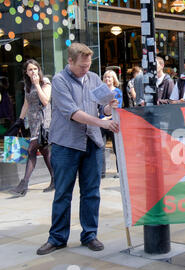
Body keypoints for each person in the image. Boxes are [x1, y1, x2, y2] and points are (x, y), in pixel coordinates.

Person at [36, 43, 120, 255]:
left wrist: (111, 107)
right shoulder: (59, 80)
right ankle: (57, 238)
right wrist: (102, 123)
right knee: (63, 193)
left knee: (91, 192)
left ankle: (90, 234)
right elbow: (73, 113)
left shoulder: (93, 78)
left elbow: (103, 106)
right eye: (82, 66)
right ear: (70, 61)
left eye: (89, 65)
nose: (86, 70)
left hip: (92, 142)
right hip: (66, 144)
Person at [9, 59, 54, 197]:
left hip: (43, 122)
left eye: (35, 68)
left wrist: (37, 84)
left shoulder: (44, 81)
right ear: (26, 72)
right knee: (45, 152)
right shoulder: (27, 85)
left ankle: (24, 183)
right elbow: (26, 104)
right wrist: (20, 120)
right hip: (33, 122)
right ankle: (55, 179)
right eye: (30, 69)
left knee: (31, 150)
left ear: (38, 69)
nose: (33, 71)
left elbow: (45, 100)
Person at [101, 70, 122, 179]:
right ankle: (101, 172)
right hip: (101, 123)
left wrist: (107, 117)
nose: (107, 79)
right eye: (105, 77)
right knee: (101, 147)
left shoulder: (117, 91)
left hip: (113, 122)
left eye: (109, 77)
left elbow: (117, 108)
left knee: (116, 147)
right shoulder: (101, 92)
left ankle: (119, 170)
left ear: (114, 79)